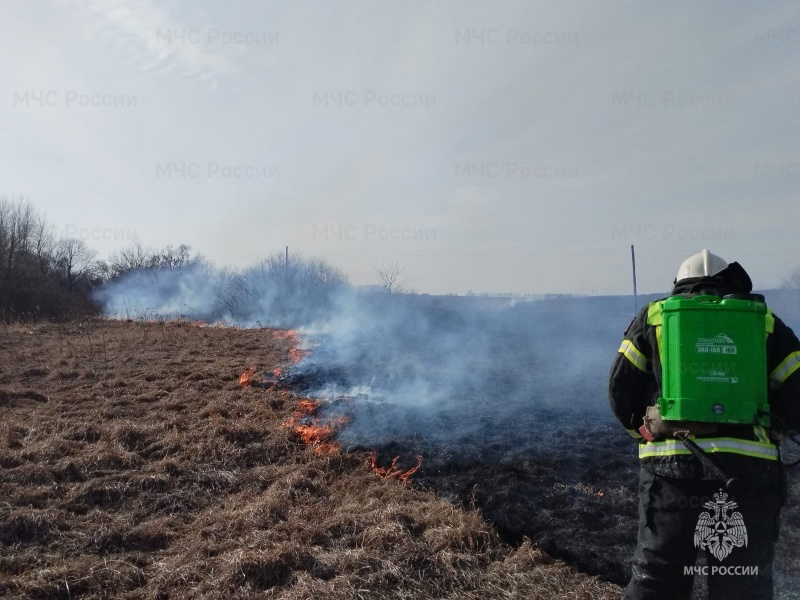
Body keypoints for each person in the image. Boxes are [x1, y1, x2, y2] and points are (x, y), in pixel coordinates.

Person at [609, 249, 800, 600]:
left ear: (679, 285)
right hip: (748, 475)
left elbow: (620, 390)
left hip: (671, 475)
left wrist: (643, 431)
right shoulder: (764, 321)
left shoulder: (654, 317)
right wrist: (778, 428)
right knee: (743, 583)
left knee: (657, 578)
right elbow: (797, 390)